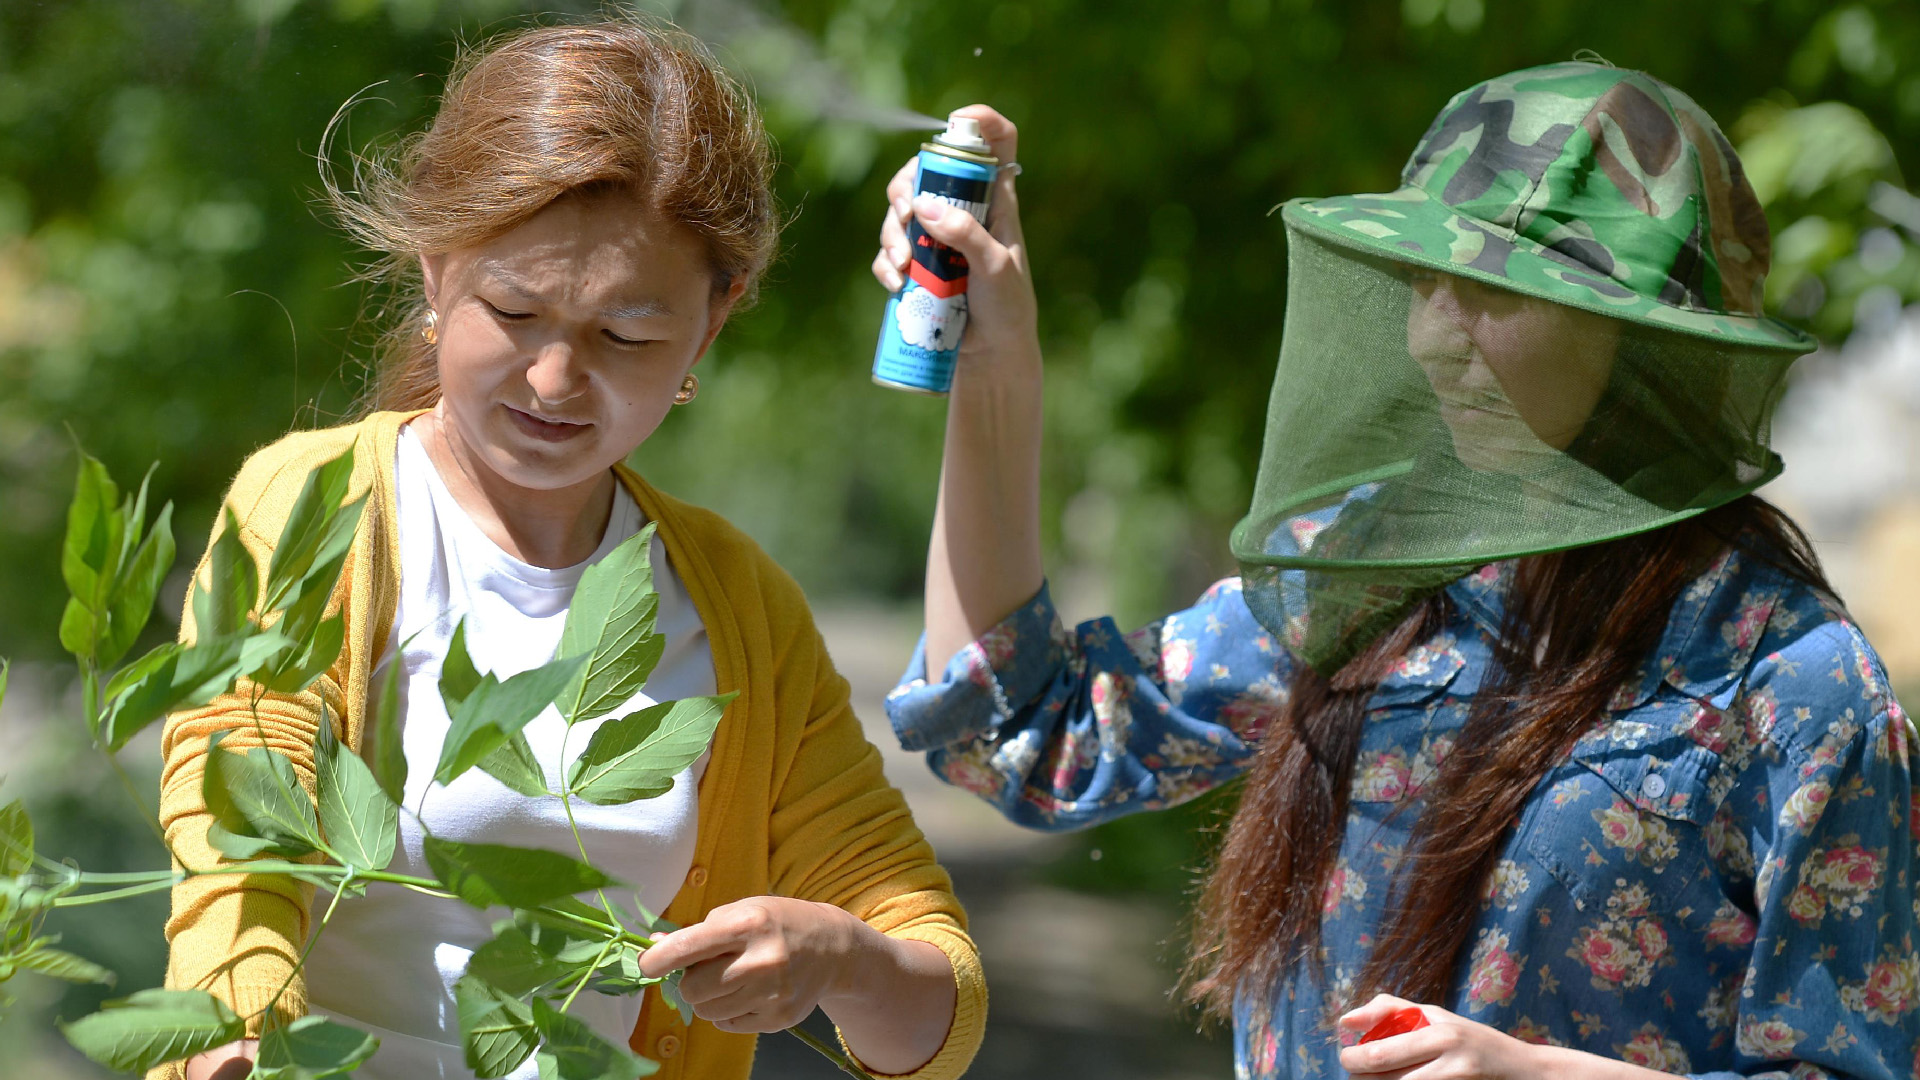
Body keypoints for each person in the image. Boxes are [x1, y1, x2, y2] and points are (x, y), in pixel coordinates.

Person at [878, 66, 1918, 1079]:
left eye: (1496, 290)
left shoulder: (1792, 683)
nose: (1435, 335)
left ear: (1646, 342)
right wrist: (995, 368)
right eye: (1428, 280)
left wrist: (1537, 1075)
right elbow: (1022, 736)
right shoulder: (1362, 566)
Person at [158, 19, 983, 1080]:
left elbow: (934, 1003)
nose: (554, 381)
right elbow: (239, 832)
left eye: (626, 336)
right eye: (514, 309)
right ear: (435, 268)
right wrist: (233, 1034)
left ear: (711, 325)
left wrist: (845, 961)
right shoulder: (313, 507)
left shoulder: (738, 603)